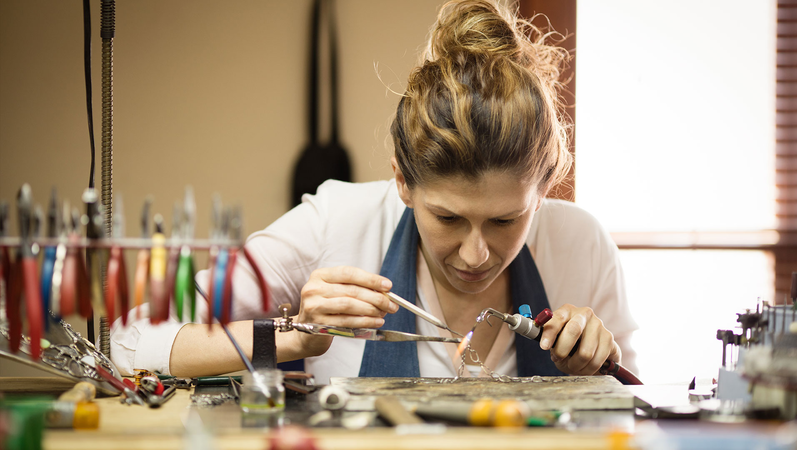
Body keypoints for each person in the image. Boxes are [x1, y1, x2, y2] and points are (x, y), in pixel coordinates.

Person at [110, 0, 638, 384]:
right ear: (403, 181)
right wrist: (294, 335)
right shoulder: (336, 222)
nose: (476, 255)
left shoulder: (583, 247)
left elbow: (637, 415)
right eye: (449, 219)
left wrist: (599, 366)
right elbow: (132, 340)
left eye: (505, 221)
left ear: (542, 191)